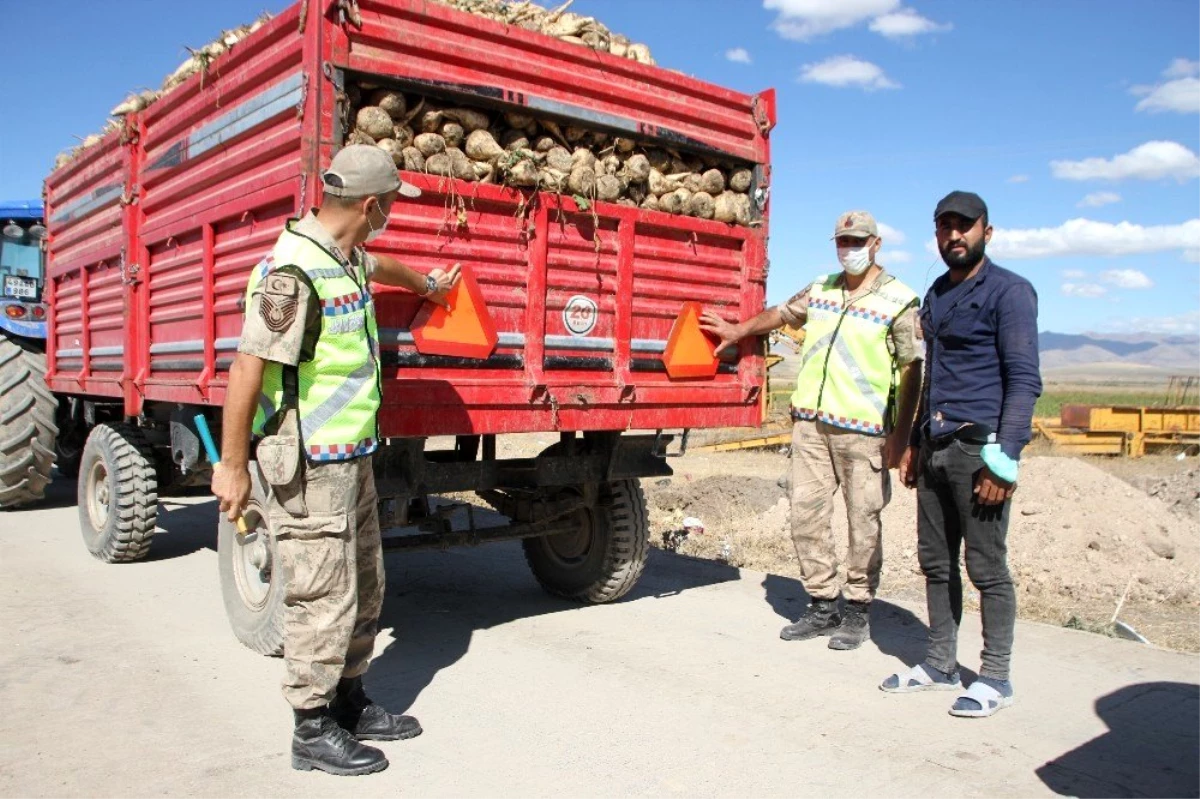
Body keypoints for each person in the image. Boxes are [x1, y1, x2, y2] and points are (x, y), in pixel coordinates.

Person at [211, 144, 461, 775]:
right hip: (309, 463)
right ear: (370, 205)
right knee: (322, 594)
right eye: (389, 208)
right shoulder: (292, 272)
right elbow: (247, 367)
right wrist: (233, 465)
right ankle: (311, 727)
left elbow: (381, 267)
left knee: (364, 583)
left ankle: (349, 700)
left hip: (351, 456)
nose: (388, 218)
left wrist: (427, 286)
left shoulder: (342, 254)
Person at [701, 210, 922, 651]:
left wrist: (903, 436)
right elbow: (781, 314)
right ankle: (823, 604)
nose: (850, 249)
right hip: (812, 427)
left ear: (876, 244)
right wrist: (739, 329)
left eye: (858, 242)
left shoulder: (899, 300)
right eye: (843, 242)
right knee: (806, 515)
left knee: (864, 522)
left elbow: (913, 368)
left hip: (866, 432)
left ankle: (857, 611)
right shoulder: (821, 288)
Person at [879, 191, 1042, 718]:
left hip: (980, 448)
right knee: (935, 563)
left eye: (964, 226)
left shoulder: (1011, 293)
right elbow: (931, 374)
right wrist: (915, 442)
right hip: (937, 445)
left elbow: (1024, 379)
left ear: (986, 233)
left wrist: (1006, 456)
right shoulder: (936, 294)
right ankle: (939, 662)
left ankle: (996, 677)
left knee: (987, 566)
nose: (954, 235)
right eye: (944, 226)